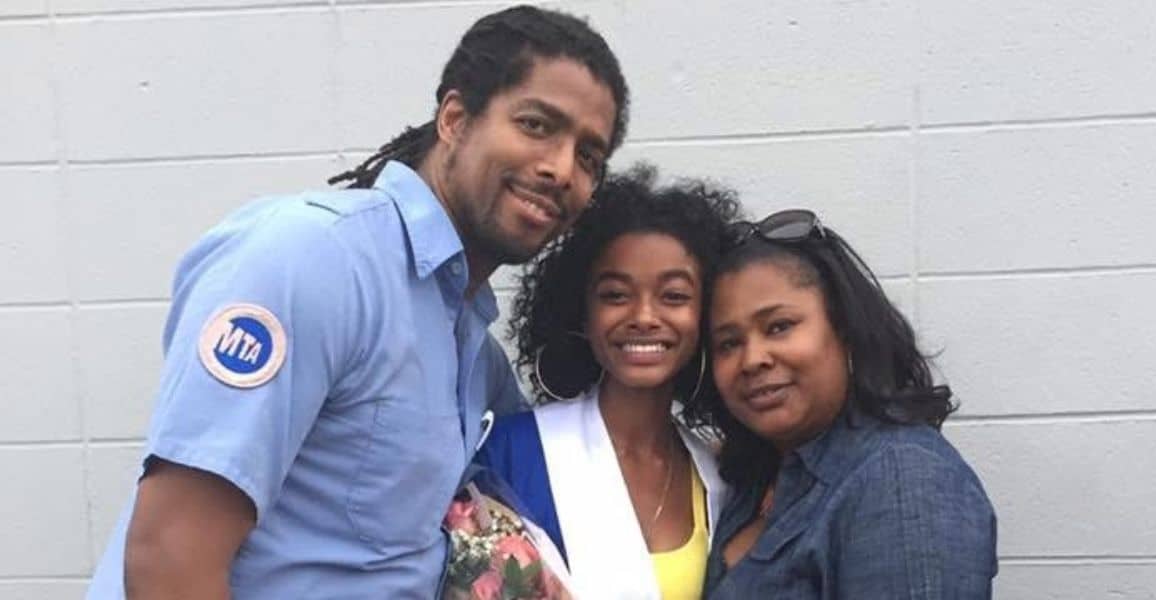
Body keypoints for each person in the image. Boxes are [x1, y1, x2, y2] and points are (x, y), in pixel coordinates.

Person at [85, 6, 629, 599]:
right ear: (454, 118)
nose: (560, 169)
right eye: (535, 125)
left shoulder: (471, 344)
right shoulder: (315, 261)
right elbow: (169, 556)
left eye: (588, 158)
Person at [697, 210, 997, 598]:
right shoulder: (754, 478)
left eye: (779, 326)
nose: (753, 358)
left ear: (844, 330)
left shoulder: (902, 481)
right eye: (728, 343)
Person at [475, 166, 742, 599]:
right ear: (582, 313)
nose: (644, 317)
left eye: (674, 296)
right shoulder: (511, 453)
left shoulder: (716, 477)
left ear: (707, 315)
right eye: (616, 295)